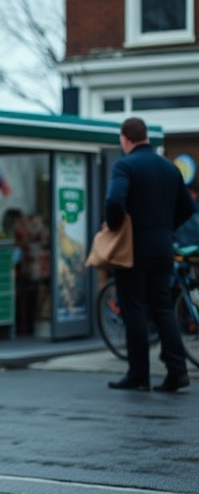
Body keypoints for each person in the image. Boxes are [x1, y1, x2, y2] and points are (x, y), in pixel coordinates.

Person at [104, 117, 196, 392]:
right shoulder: (169, 168)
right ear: (146, 137)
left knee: (134, 309)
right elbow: (189, 208)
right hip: (163, 247)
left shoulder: (125, 165)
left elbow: (114, 201)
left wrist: (114, 226)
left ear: (125, 138)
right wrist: (165, 227)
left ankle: (138, 375)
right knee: (163, 308)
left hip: (133, 250)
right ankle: (177, 371)